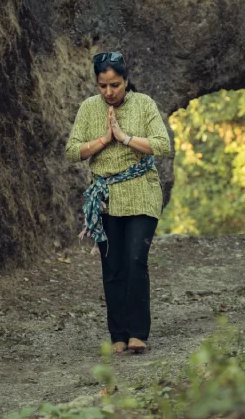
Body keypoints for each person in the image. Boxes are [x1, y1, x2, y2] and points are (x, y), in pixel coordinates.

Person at [65, 51, 171, 354]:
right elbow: (72, 151)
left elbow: (162, 145)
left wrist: (124, 137)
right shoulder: (89, 108)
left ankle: (138, 333)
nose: (109, 92)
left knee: (135, 259)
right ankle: (118, 335)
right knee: (112, 266)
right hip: (106, 198)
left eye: (115, 85)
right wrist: (103, 140)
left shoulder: (144, 104)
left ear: (126, 80)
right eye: (103, 86)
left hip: (142, 191)